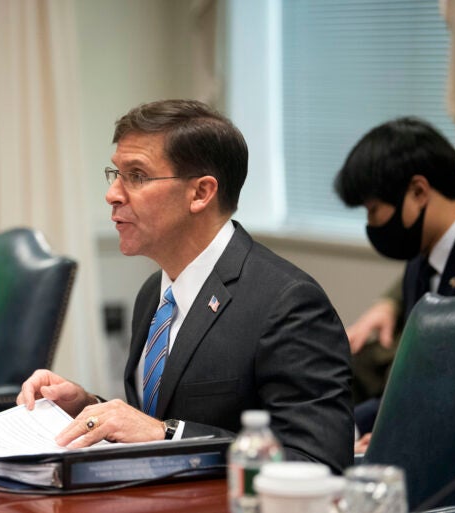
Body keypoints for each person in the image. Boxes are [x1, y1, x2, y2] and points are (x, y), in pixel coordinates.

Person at [18, 99, 354, 474]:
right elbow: (150, 425)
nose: (112, 194)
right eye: (115, 173)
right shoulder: (154, 294)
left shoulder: (288, 304)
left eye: (137, 176)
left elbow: (318, 462)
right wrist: (87, 408)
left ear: (200, 193)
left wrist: (169, 434)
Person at [334, 116, 455, 434]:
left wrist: (395, 433)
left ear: (418, 192)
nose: (372, 224)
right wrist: (353, 430)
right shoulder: (420, 261)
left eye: (374, 209)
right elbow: (417, 387)